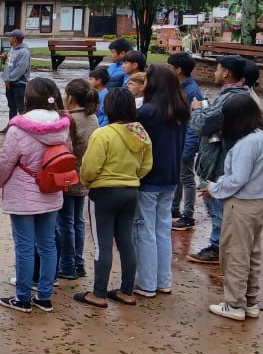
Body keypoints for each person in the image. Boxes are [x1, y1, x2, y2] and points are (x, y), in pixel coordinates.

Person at [73, 88, 153, 309]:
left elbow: (89, 167)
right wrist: (131, 177)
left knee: (103, 243)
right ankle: (127, 290)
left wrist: (88, 182)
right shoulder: (141, 133)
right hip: (131, 190)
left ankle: (99, 293)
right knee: (126, 240)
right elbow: (147, 165)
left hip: (104, 192)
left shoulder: (103, 134)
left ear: (108, 107)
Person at [0, 77, 70, 313]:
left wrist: (1, 181)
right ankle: (45, 296)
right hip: (51, 189)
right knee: (48, 244)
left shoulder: (18, 127)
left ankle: (23, 297)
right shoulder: (63, 124)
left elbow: (6, 161)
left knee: (25, 246)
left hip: (23, 192)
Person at [202, 94, 263, 321]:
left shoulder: (247, 143)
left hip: (243, 203)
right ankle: (249, 300)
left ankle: (234, 303)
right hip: (260, 200)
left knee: (235, 253)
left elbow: (238, 179)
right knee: (252, 252)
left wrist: (214, 188)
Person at [187, 56, 252, 265]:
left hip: (219, 163)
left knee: (218, 208)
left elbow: (203, 124)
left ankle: (218, 247)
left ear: (226, 73)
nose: (214, 73)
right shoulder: (239, 95)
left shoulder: (229, 99)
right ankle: (221, 245)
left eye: (217, 69)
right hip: (220, 159)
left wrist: (197, 109)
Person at [133, 64, 191, 297]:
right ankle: (163, 280)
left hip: (149, 177)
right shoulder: (180, 110)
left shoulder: (147, 112)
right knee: (162, 229)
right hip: (170, 177)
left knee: (145, 230)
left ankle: (146, 282)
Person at [59, 78, 100, 280]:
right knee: (78, 221)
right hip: (84, 177)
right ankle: (78, 263)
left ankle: (67, 265)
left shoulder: (69, 120)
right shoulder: (93, 118)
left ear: (71, 98)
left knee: (66, 223)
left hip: (68, 177)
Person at [168, 52, 204, 231]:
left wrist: (188, 147)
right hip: (178, 140)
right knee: (179, 177)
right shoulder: (181, 86)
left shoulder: (191, 91)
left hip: (186, 142)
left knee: (187, 178)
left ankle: (188, 215)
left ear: (178, 69)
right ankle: (174, 209)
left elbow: (193, 124)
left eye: (169, 67)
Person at [0, 29, 31, 132]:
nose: (9, 39)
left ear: (15, 39)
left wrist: (9, 79)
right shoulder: (12, 49)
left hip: (19, 84)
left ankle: (24, 128)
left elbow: (20, 69)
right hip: (9, 83)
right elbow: (8, 65)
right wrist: (5, 58)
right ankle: (11, 126)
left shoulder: (24, 52)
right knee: (11, 106)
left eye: (10, 37)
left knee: (20, 107)